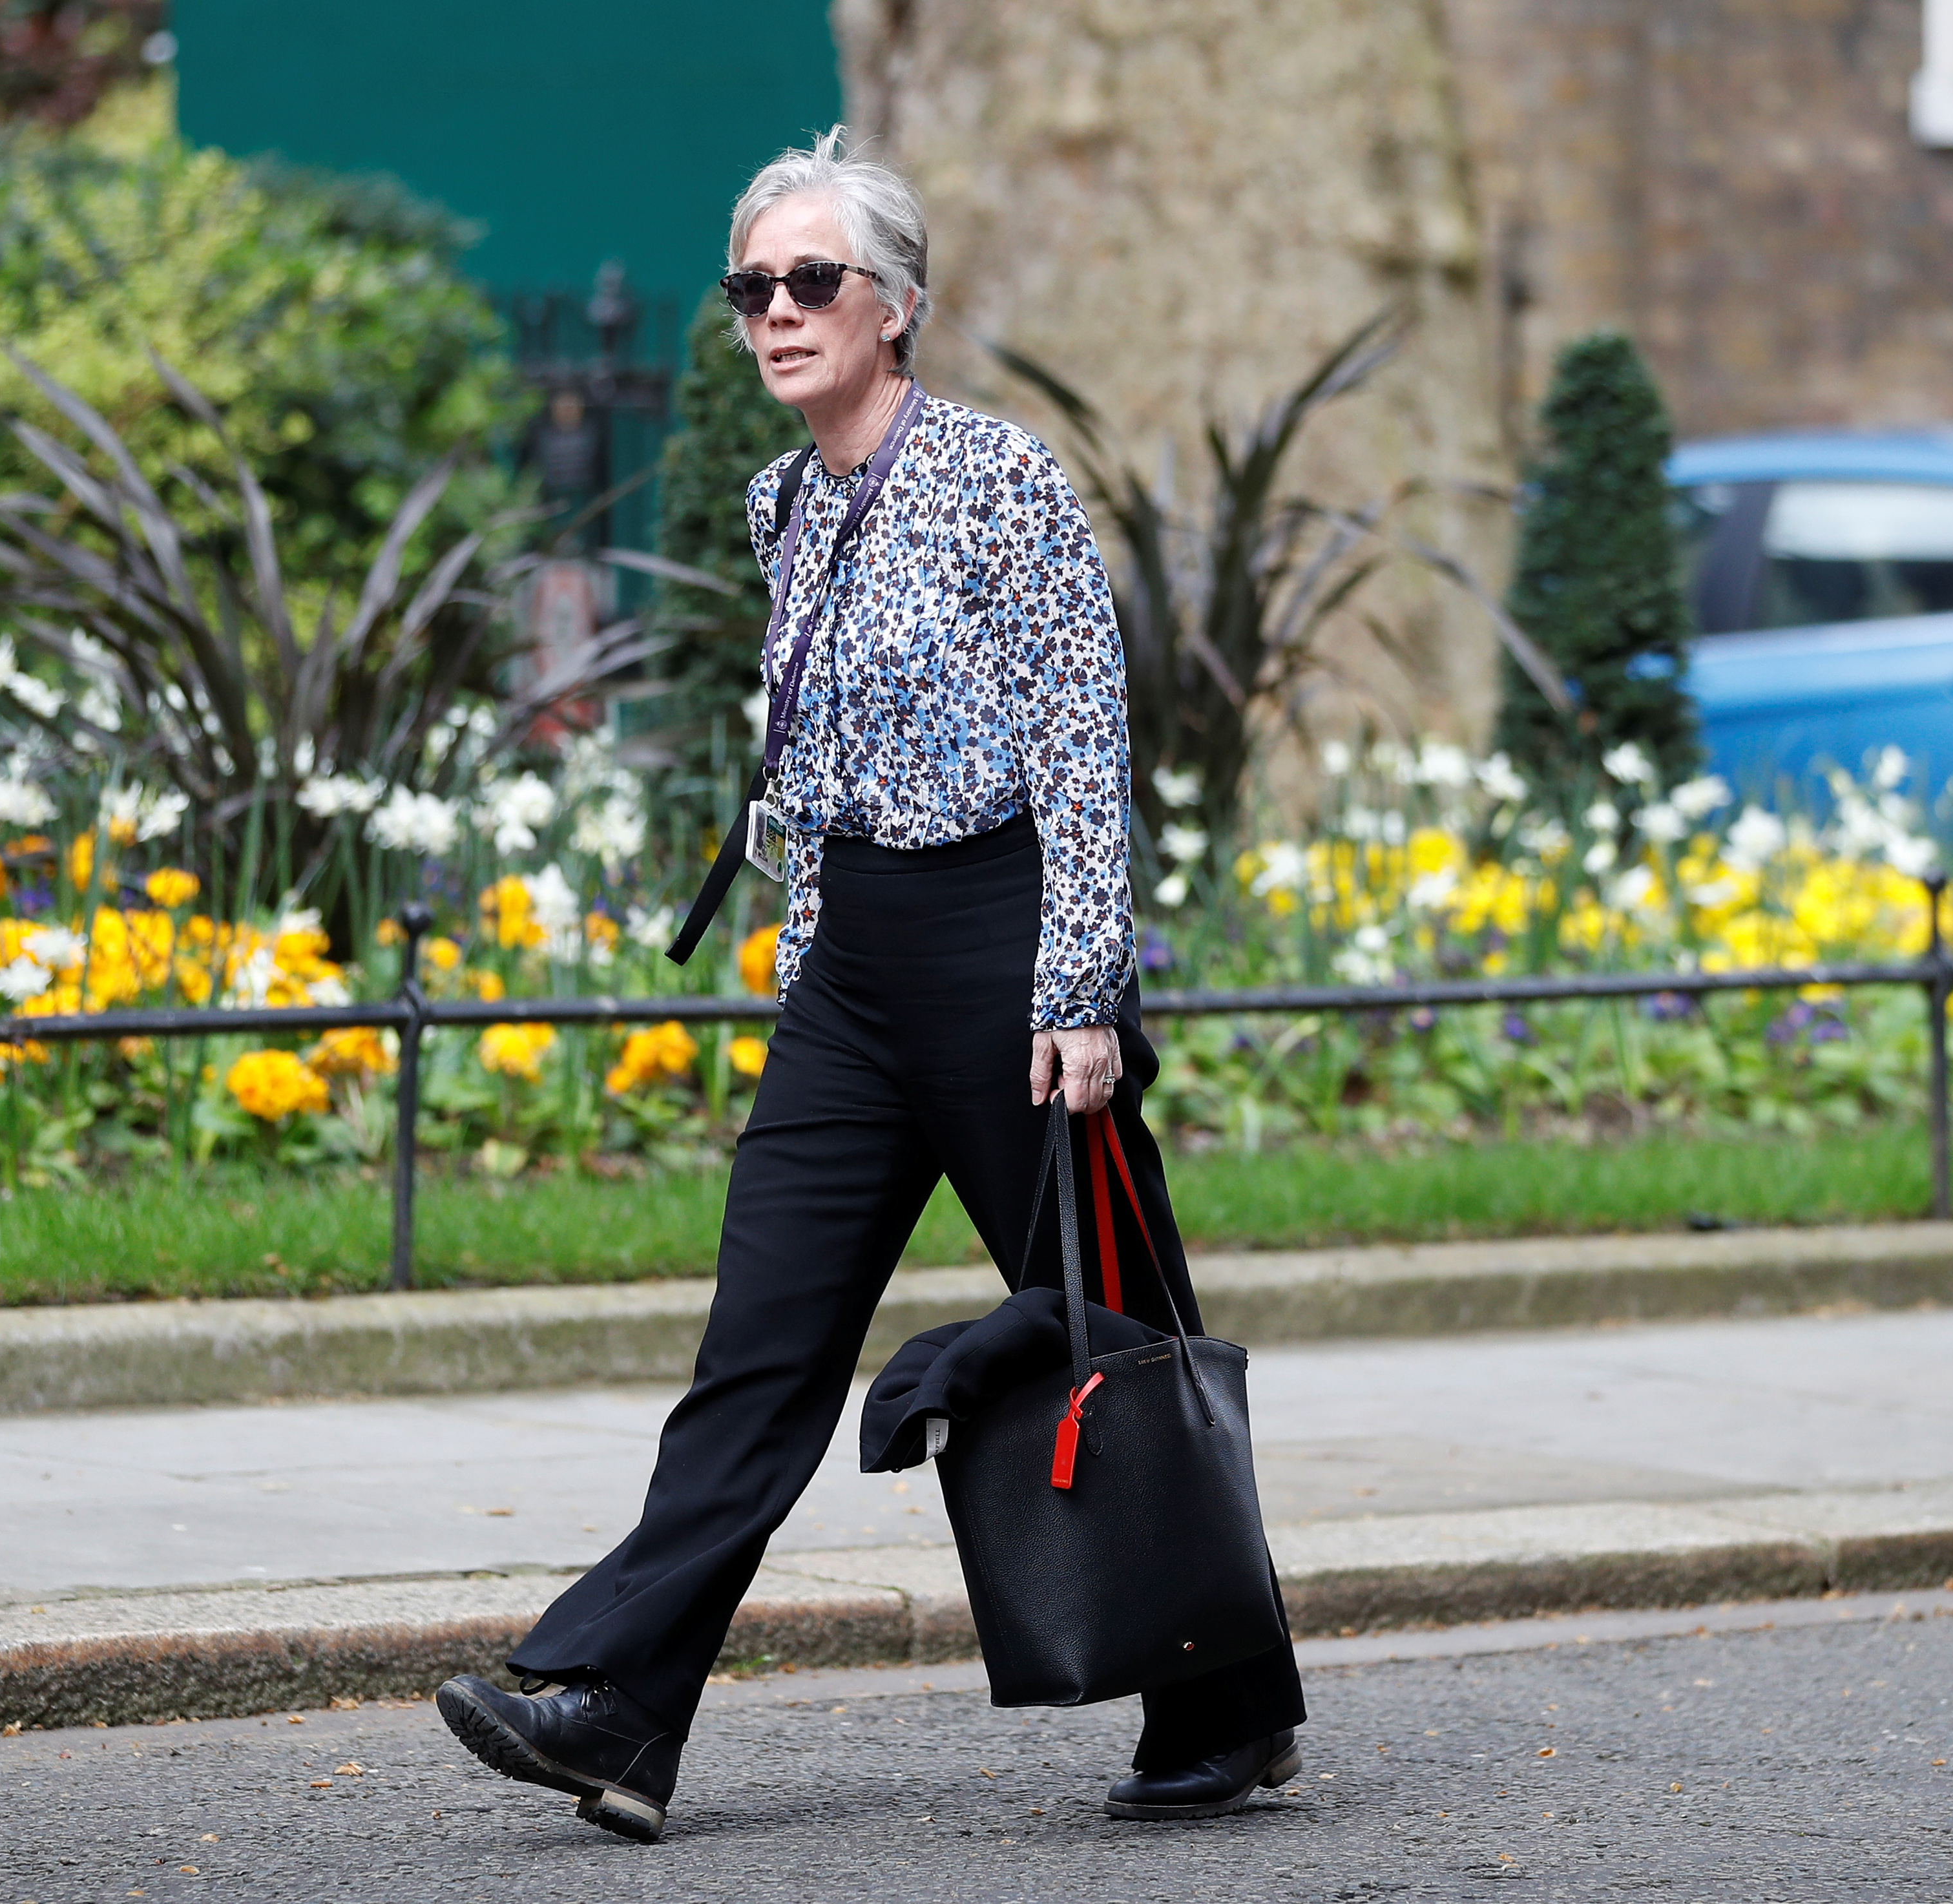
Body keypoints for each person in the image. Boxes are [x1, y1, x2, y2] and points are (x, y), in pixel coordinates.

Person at [436, 128, 1305, 1843]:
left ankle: (1229, 1697)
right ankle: (619, 1702)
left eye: (810, 281)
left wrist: (1076, 984)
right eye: (750, 286)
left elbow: (1080, 737)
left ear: (895, 304)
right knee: (756, 1346)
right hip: (856, 975)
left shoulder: (1001, 481)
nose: (775, 311)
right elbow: (816, 759)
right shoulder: (787, 504)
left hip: (1010, 953)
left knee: (1124, 1328)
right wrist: (812, 955)